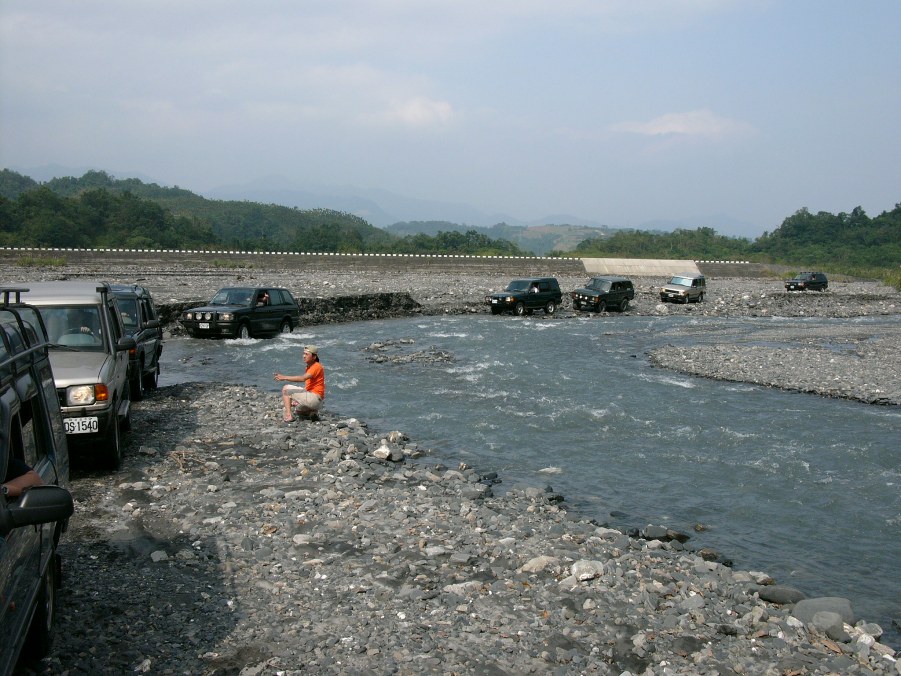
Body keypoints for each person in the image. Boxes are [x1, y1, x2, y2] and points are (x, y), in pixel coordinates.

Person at [274, 345, 325, 422]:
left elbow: (302, 378)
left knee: (286, 389)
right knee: (298, 410)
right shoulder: (312, 366)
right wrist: (297, 399)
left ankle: (288, 416)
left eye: (306, 354)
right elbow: (309, 386)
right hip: (318, 402)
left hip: (314, 398)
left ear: (314, 357)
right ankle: (312, 413)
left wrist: (284, 377)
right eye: (303, 353)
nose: (304, 356)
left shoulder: (316, 366)